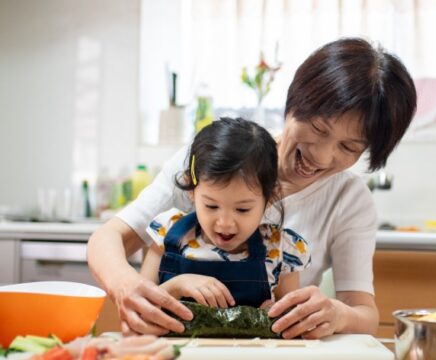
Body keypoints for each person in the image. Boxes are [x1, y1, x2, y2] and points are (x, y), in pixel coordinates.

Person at [87, 37, 417, 339]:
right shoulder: (212, 159)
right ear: (294, 101)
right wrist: (126, 287)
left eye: (349, 148)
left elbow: (365, 313)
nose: (322, 155)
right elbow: (108, 237)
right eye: (318, 129)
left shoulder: (349, 199)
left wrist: (338, 314)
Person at [139, 118, 309, 310]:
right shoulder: (167, 233)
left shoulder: (280, 249)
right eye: (211, 206)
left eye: (242, 209)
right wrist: (177, 286)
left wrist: (276, 314)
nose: (225, 223)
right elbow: (138, 310)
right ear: (192, 190)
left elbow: (293, 323)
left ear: (270, 197)